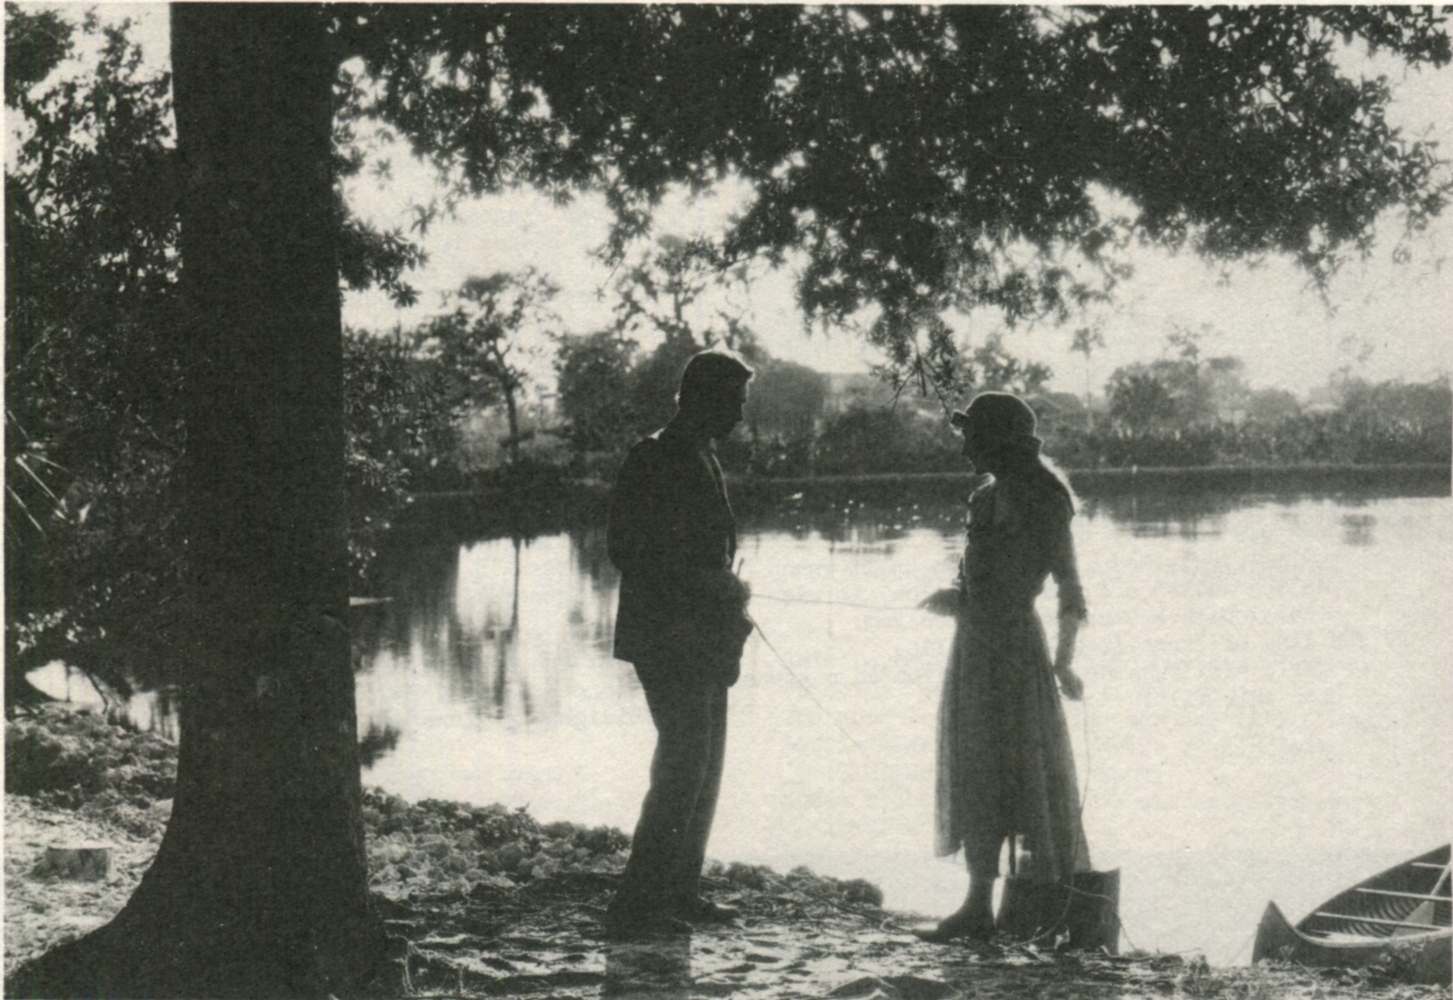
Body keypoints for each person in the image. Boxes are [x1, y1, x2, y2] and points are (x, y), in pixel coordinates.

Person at [917, 391, 1091, 942]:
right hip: (973, 650)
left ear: (999, 441)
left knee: (1019, 778)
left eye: (973, 438)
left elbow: (1068, 588)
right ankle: (977, 908)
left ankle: (1038, 911)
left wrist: (1063, 662)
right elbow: (977, 580)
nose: (966, 447)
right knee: (977, 773)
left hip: (1013, 653)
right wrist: (954, 596)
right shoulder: (986, 496)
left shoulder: (1044, 497)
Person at [604, 349, 756, 938]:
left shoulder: (703, 455)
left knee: (707, 763)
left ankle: (681, 891)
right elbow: (626, 550)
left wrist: (725, 593)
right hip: (665, 637)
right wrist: (711, 581)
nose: (740, 415)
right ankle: (638, 903)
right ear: (704, 398)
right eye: (735, 402)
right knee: (683, 763)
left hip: (707, 636)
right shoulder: (652, 456)